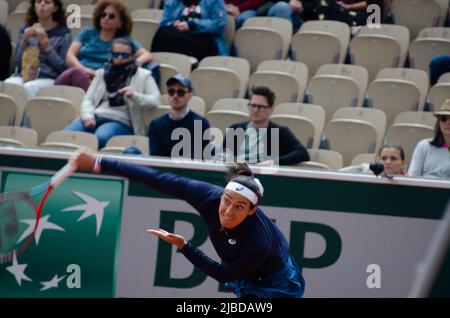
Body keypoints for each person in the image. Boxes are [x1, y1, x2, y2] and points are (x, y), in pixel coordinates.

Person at [71, 151, 305, 298]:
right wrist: (98, 161)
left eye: (240, 207)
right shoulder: (208, 197)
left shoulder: (258, 244)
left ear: (252, 210)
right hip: (246, 274)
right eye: (227, 201)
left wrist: (185, 247)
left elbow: (222, 274)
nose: (228, 211)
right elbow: (157, 179)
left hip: (278, 286)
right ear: (222, 195)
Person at [64, 38, 160, 149]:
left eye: (124, 55)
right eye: (116, 54)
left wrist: (134, 96)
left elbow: (155, 100)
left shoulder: (144, 75)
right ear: (110, 54)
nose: (119, 58)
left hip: (121, 121)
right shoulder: (102, 73)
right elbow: (88, 99)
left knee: (101, 137)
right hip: (96, 116)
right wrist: (88, 115)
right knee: (66, 135)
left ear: (133, 56)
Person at [55, 0, 153, 91]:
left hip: (102, 79)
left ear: (120, 23)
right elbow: (69, 56)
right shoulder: (87, 33)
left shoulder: (124, 40)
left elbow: (147, 55)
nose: (106, 18)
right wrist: (83, 70)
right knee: (73, 74)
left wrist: (134, 64)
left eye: (111, 16)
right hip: (79, 71)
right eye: (103, 15)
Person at [220, 86, 310, 165]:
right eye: (253, 105)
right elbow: (223, 154)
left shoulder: (280, 132)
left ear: (271, 109)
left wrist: (274, 162)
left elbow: (302, 153)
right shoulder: (236, 129)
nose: (255, 110)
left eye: (260, 107)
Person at [5, 0, 71, 99]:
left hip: (48, 77)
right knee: (8, 85)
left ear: (55, 8)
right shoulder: (25, 29)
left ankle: (27, 115)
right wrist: (24, 42)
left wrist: (46, 46)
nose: (42, 5)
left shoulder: (63, 33)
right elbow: (18, 63)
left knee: (29, 88)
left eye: (47, 2)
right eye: (38, 2)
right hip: (23, 75)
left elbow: (63, 68)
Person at [148, 74, 211, 160]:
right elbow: (156, 159)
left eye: (180, 92)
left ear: (190, 95)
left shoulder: (201, 124)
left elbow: (197, 159)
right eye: (171, 92)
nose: (175, 96)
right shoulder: (155, 124)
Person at [151, 0, 229, 61]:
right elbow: (164, 23)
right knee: (163, 32)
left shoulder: (215, 1)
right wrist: (174, 23)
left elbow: (219, 23)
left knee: (167, 35)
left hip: (205, 40)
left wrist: (192, 25)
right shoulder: (172, 1)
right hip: (179, 38)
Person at [408, 99, 450, 179]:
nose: (448, 122)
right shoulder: (424, 145)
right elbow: (413, 177)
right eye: (444, 118)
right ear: (438, 122)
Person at [339, 144, 407, 176]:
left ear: (403, 164)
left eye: (393, 159)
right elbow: (339, 173)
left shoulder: (413, 182)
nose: (388, 162)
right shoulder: (367, 172)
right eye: (384, 158)